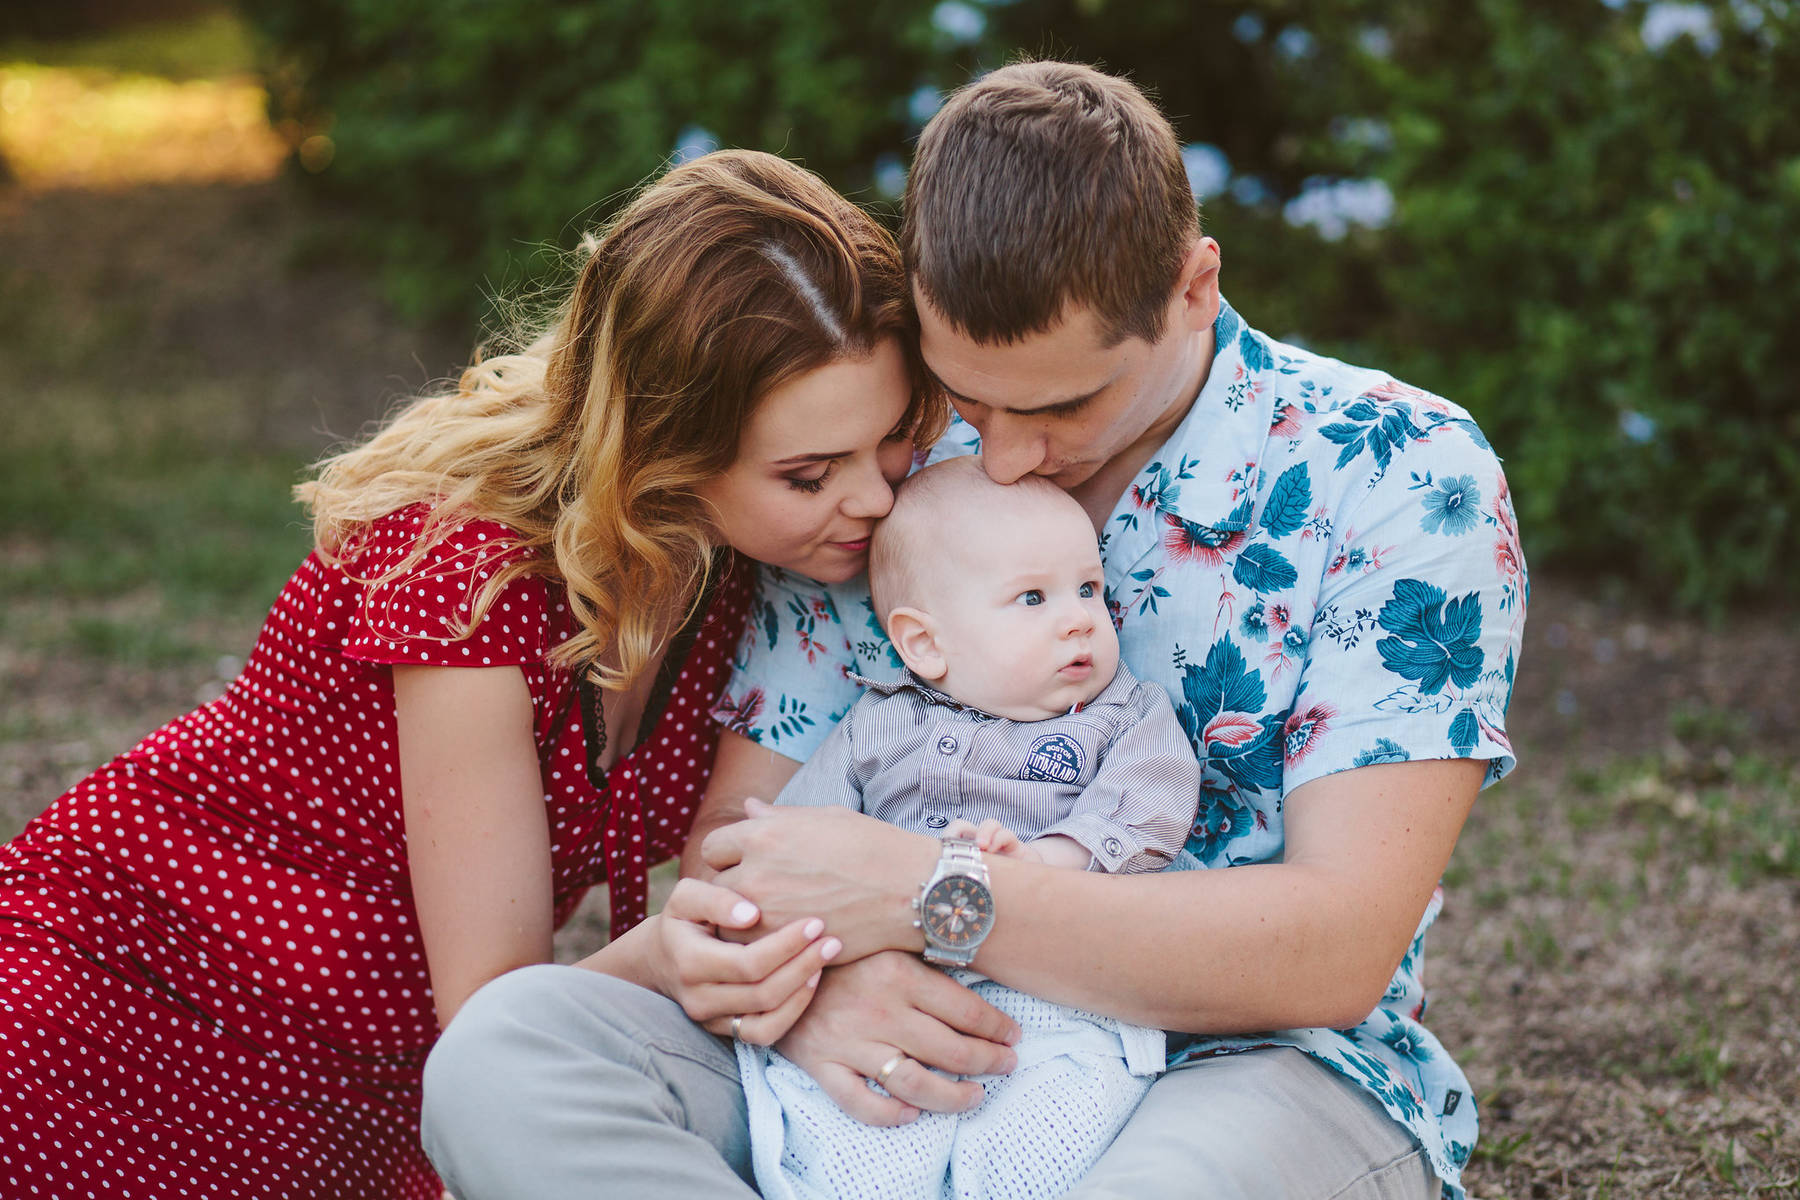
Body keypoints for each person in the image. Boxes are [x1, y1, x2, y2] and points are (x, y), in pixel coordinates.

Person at [421, 61, 1528, 1200]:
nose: (993, 456)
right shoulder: (887, 468)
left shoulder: (1397, 477)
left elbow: (1332, 950)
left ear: (1195, 290)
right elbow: (742, 850)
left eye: (1058, 407)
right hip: (861, 1032)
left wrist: (932, 898)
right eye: (967, 400)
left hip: (1244, 1066)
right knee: (506, 1053)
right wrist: (810, 988)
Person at [0, 148, 944, 1200]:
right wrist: (672, 959)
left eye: (894, 441)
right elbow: (498, 1010)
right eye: (810, 473)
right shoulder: (471, 574)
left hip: (369, 1089)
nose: (873, 499)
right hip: (123, 1017)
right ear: (664, 450)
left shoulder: (755, 569)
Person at [739, 457, 1200, 1200]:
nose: (1080, 615)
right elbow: (793, 840)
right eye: (1032, 597)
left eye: (1089, 589)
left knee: (1047, 1152)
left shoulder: (1125, 714)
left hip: (1064, 1001)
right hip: (890, 997)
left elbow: (1152, 804)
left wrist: (1050, 859)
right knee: (857, 1153)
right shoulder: (878, 726)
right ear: (925, 644)